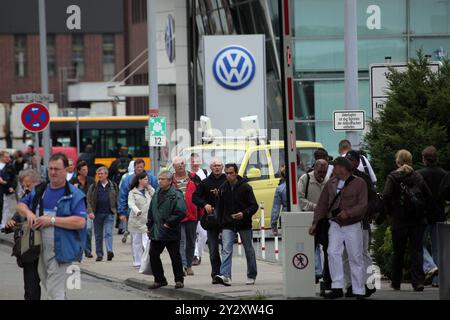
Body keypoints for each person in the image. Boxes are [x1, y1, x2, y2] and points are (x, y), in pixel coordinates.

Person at [16, 153, 87, 300]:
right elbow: (21, 205)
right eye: (51, 169)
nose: (53, 172)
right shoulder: (40, 189)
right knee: (50, 286)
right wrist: (29, 213)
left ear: (66, 170)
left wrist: (52, 220)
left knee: (55, 289)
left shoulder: (75, 194)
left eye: (57, 169)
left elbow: (80, 222)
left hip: (62, 249)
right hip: (40, 248)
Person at [310, 157, 368, 299]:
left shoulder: (359, 183)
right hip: (335, 223)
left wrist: (348, 213)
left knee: (355, 256)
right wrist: (315, 222)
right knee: (332, 252)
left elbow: (363, 205)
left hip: (353, 224)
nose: (333, 169)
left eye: (335, 167)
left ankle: (359, 290)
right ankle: (336, 287)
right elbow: (322, 204)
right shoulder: (331, 183)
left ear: (343, 168)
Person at [383, 149, 432, 292]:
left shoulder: (393, 176)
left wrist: (390, 213)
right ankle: (418, 282)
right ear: (410, 161)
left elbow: (386, 196)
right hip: (417, 220)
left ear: (397, 161)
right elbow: (428, 195)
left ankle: (396, 282)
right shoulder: (417, 176)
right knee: (417, 250)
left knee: (398, 252)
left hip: (399, 221)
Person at [215, 163, 259, 286]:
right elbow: (220, 208)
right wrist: (220, 226)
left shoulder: (245, 187)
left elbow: (254, 206)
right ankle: (225, 276)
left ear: (236, 173)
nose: (229, 175)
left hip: (244, 223)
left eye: (231, 173)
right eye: (227, 173)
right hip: (228, 224)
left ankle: (251, 275)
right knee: (226, 249)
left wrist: (244, 214)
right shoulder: (223, 188)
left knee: (249, 249)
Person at [344, 150, 378, 297]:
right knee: (346, 254)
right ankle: (351, 285)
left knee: (363, 253)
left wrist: (364, 210)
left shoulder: (363, 179)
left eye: (351, 160)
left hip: (360, 222)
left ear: (357, 162)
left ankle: (368, 283)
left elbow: (373, 200)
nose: (348, 163)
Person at [4, 169, 41, 300]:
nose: (25, 188)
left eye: (28, 185)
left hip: (44, 245)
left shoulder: (46, 196)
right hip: (28, 247)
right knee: (31, 286)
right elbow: (17, 216)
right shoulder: (25, 197)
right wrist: (11, 223)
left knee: (52, 285)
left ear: (37, 182)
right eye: (24, 185)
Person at [147, 170, 186, 289]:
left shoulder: (176, 194)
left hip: (170, 231)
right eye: (159, 179)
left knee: (175, 256)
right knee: (153, 254)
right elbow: (151, 210)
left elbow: (181, 211)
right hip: (157, 231)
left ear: (169, 181)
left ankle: (179, 280)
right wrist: (149, 226)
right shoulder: (157, 192)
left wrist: (169, 223)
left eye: (162, 179)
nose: (160, 181)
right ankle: (159, 279)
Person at [192, 158, 227, 284]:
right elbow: (195, 197)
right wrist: (204, 204)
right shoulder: (205, 183)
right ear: (211, 168)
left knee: (226, 250)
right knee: (213, 250)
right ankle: (215, 274)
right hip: (211, 220)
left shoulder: (227, 180)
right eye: (214, 166)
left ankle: (225, 274)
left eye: (219, 165)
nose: (217, 168)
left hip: (226, 220)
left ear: (222, 167)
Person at [417, 146, 447, 287]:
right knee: (438, 248)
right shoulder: (444, 174)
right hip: (439, 214)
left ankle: (430, 267)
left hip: (423, 215)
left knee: (418, 244)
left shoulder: (419, 174)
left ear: (424, 159)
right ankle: (438, 280)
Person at [298, 160, 329, 285]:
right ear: (315, 169)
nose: (322, 174)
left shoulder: (328, 181)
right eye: (320, 171)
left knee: (328, 249)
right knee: (310, 248)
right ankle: (311, 275)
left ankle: (327, 277)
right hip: (310, 219)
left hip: (324, 220)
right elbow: (300, 199)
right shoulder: (305, 179)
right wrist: (315, 207)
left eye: (325, 171)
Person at [118, 159, 158, 239]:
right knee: (136, 239)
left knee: (147, 238)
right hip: (134, 212)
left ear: (144, 167)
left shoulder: (151, 178)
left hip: (149, 212)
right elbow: (123, 196)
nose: (139, 169)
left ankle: (146, 250)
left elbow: (157, 193)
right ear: (134, 167)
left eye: (141, 167)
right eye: (137, 167)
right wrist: (122, 212)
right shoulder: (127, 180)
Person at [171, 156, 197, 276]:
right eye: (178, 164)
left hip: (192, 214)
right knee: (180, 240)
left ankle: (189, 265)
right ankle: (183, 265)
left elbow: (200, 194)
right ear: (174, 167)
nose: (181, 165)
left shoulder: (193, 177)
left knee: (191, 241)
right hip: (177, 215)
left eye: (182, 163)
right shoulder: (170, 180)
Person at [87, 167, 118, 262]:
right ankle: (99, 254)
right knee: (98, 235)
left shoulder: (113, 185)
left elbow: (117, 197)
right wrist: (91, 212)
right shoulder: (94, 186)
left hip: (109, 213)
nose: (99, 176)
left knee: (108, 233)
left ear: (106, 175)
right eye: (98, 174)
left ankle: (109, 251)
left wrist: (118, 210)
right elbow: (88, 200)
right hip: (97, 214)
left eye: (101, 174)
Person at [128, 172, 155, 269]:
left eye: (147, 179)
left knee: (147, 242)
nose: (147, 181)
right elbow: (131, 204)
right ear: (139, 180)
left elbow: (155, 196)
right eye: (145, 179)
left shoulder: (148, 191)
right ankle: (137, 262)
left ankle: (148, 261)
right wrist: (137, 211)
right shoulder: (132, 192)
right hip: (136, 221)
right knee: (136, 243)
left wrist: (150, 188)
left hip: (147, 221)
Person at [70, 161, 95, 258]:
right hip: (77, 209)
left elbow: (94, 195)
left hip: (88, 209)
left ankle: (88, 250)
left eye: (87, 169)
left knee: (88, 229)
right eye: (83, 170)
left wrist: (93, 209)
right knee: (78, 230)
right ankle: (79, 251)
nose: (86, 171)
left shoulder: (91, 181)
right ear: (79, 171)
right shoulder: (73, 181)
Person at [187, 153, 208, 266]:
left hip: (203, 207)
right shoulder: (188, 174)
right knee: (192, 233)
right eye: (192, 161)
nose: (195, 163)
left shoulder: (205, 173)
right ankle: (194, 255)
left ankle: (199, 254)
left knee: (203, 234)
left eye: (196, 161)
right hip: (191, 207)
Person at [0, 151, 17, 229]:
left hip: (6, 190)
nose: (8, 159)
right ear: (1, 157)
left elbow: (14, 179)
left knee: (5, 207)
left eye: (9, 157)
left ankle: (2, 225)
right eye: (6, 157)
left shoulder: (10, 167)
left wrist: (13, 187)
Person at [270, 166, 287, 236]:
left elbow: (276, 209)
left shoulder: (280, 189)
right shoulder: (300, 185)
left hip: (286, 217)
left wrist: (274, 225)